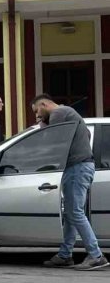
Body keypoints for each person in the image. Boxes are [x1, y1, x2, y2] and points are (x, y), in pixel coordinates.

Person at [32, 95, 109, 270]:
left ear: (44, 104)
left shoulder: (58, 113)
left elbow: (52, 142)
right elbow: (85, 134)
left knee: (75, 212)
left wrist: (42, 124)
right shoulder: (71, 114)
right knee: (70, 213)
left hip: (77, 168)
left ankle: (96, 255)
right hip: (79, 167)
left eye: (37, 111)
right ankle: (65, 255)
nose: (37, 115)